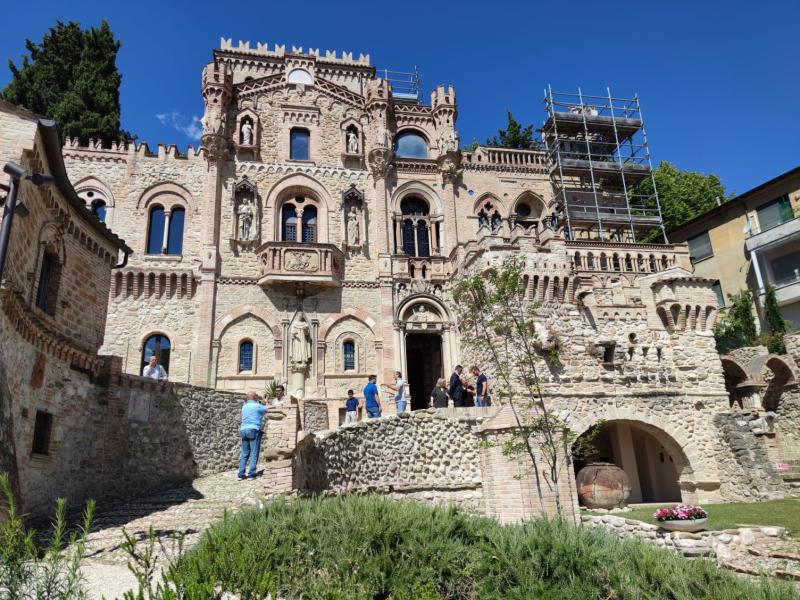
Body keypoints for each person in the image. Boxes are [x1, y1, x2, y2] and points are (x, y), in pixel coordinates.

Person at [238, 391, 266, 480]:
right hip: (253, 429)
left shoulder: (244, 406)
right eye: (257, 396)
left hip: (243, 430)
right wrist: (265, 402)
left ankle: (241, 474)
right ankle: (251, 474)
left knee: (245, 453)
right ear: (255, 397)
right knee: (254, 453)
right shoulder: (257, 406)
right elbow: (267, 410)